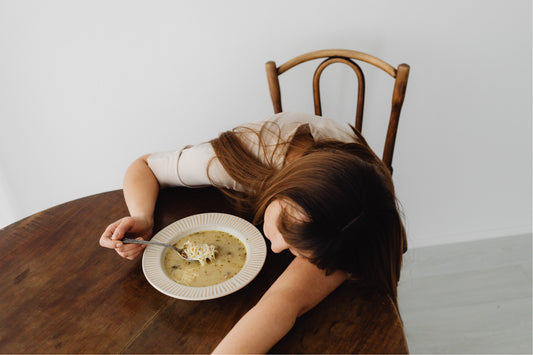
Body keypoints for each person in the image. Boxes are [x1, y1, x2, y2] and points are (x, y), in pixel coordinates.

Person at [99, 111, 407, 353]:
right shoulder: (246, 153)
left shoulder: (357, 222)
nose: (276, 249)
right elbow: (144, 166)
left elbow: (282, 303)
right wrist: (141, 216)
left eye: (298, 251)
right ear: (284, 189)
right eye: (287, 232)